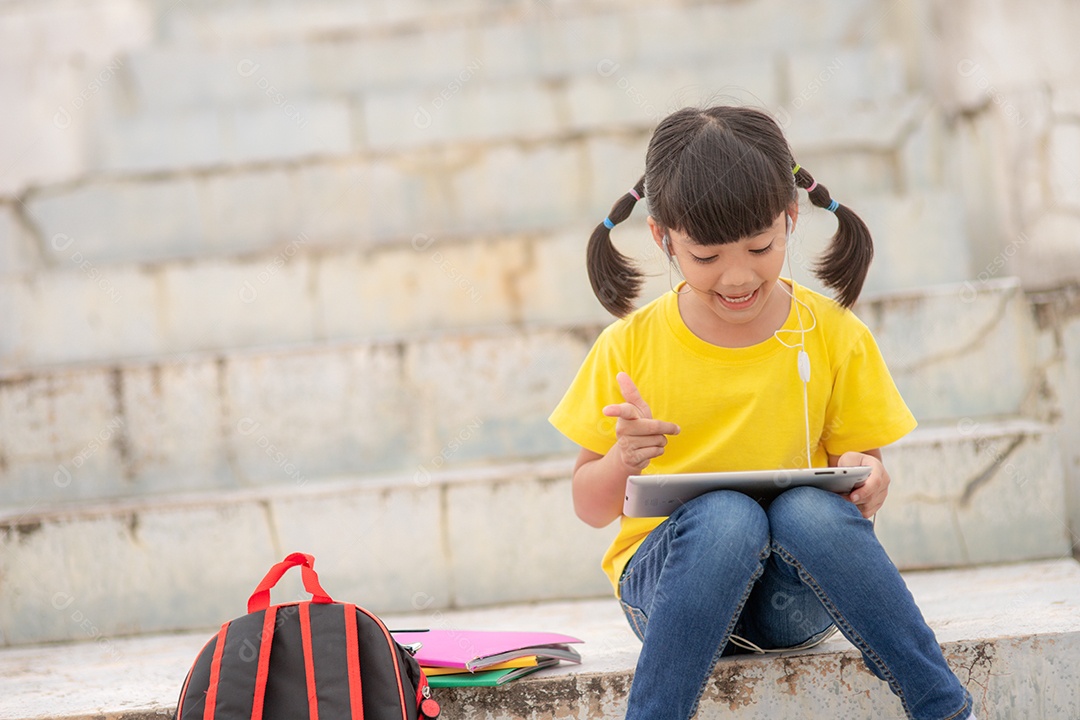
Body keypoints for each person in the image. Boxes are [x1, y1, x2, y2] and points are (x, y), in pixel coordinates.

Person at [548, 106, 977, 720]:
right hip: (669, 594)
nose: (738, 276)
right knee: (726, 517)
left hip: (794, 599)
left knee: (808, 508)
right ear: (661, 236)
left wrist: (867, 474)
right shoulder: (630, 346)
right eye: (706, 258)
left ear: (791, 218)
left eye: (760, 246)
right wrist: (623, 458)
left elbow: (856, 471)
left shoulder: (831, 334)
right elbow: (589, 507)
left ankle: (943, 707)